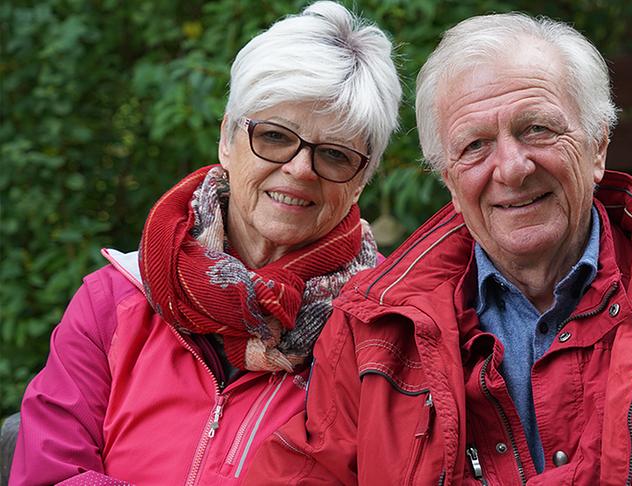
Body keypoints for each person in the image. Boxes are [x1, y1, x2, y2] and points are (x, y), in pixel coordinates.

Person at [244, 10, 632, 486]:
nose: (512, 167)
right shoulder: (371, 325)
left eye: (537, 130)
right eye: (475, 145)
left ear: (598, 146)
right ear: (448, 179)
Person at [9, 2, 400, 484]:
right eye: (275, 136)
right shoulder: (113, 302)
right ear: (227, 139)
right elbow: (50, 473)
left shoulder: (385, 330)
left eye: (336, 155)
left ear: (360, 182)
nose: (300, 169)